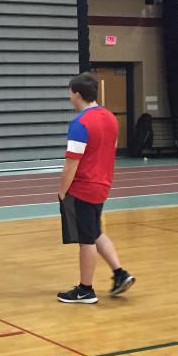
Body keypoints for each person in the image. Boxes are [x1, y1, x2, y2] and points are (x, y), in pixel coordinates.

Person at [57, 72, 136, 304]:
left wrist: (63, 190)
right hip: (103, 184)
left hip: (84, 188)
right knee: (94, 232)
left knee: (86, 240)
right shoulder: (110, 118)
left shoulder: (80, 123)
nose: (70, 98)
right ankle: (120, 273)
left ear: (78, 94)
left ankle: (85, 289)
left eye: (71, 94)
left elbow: (72, 161)